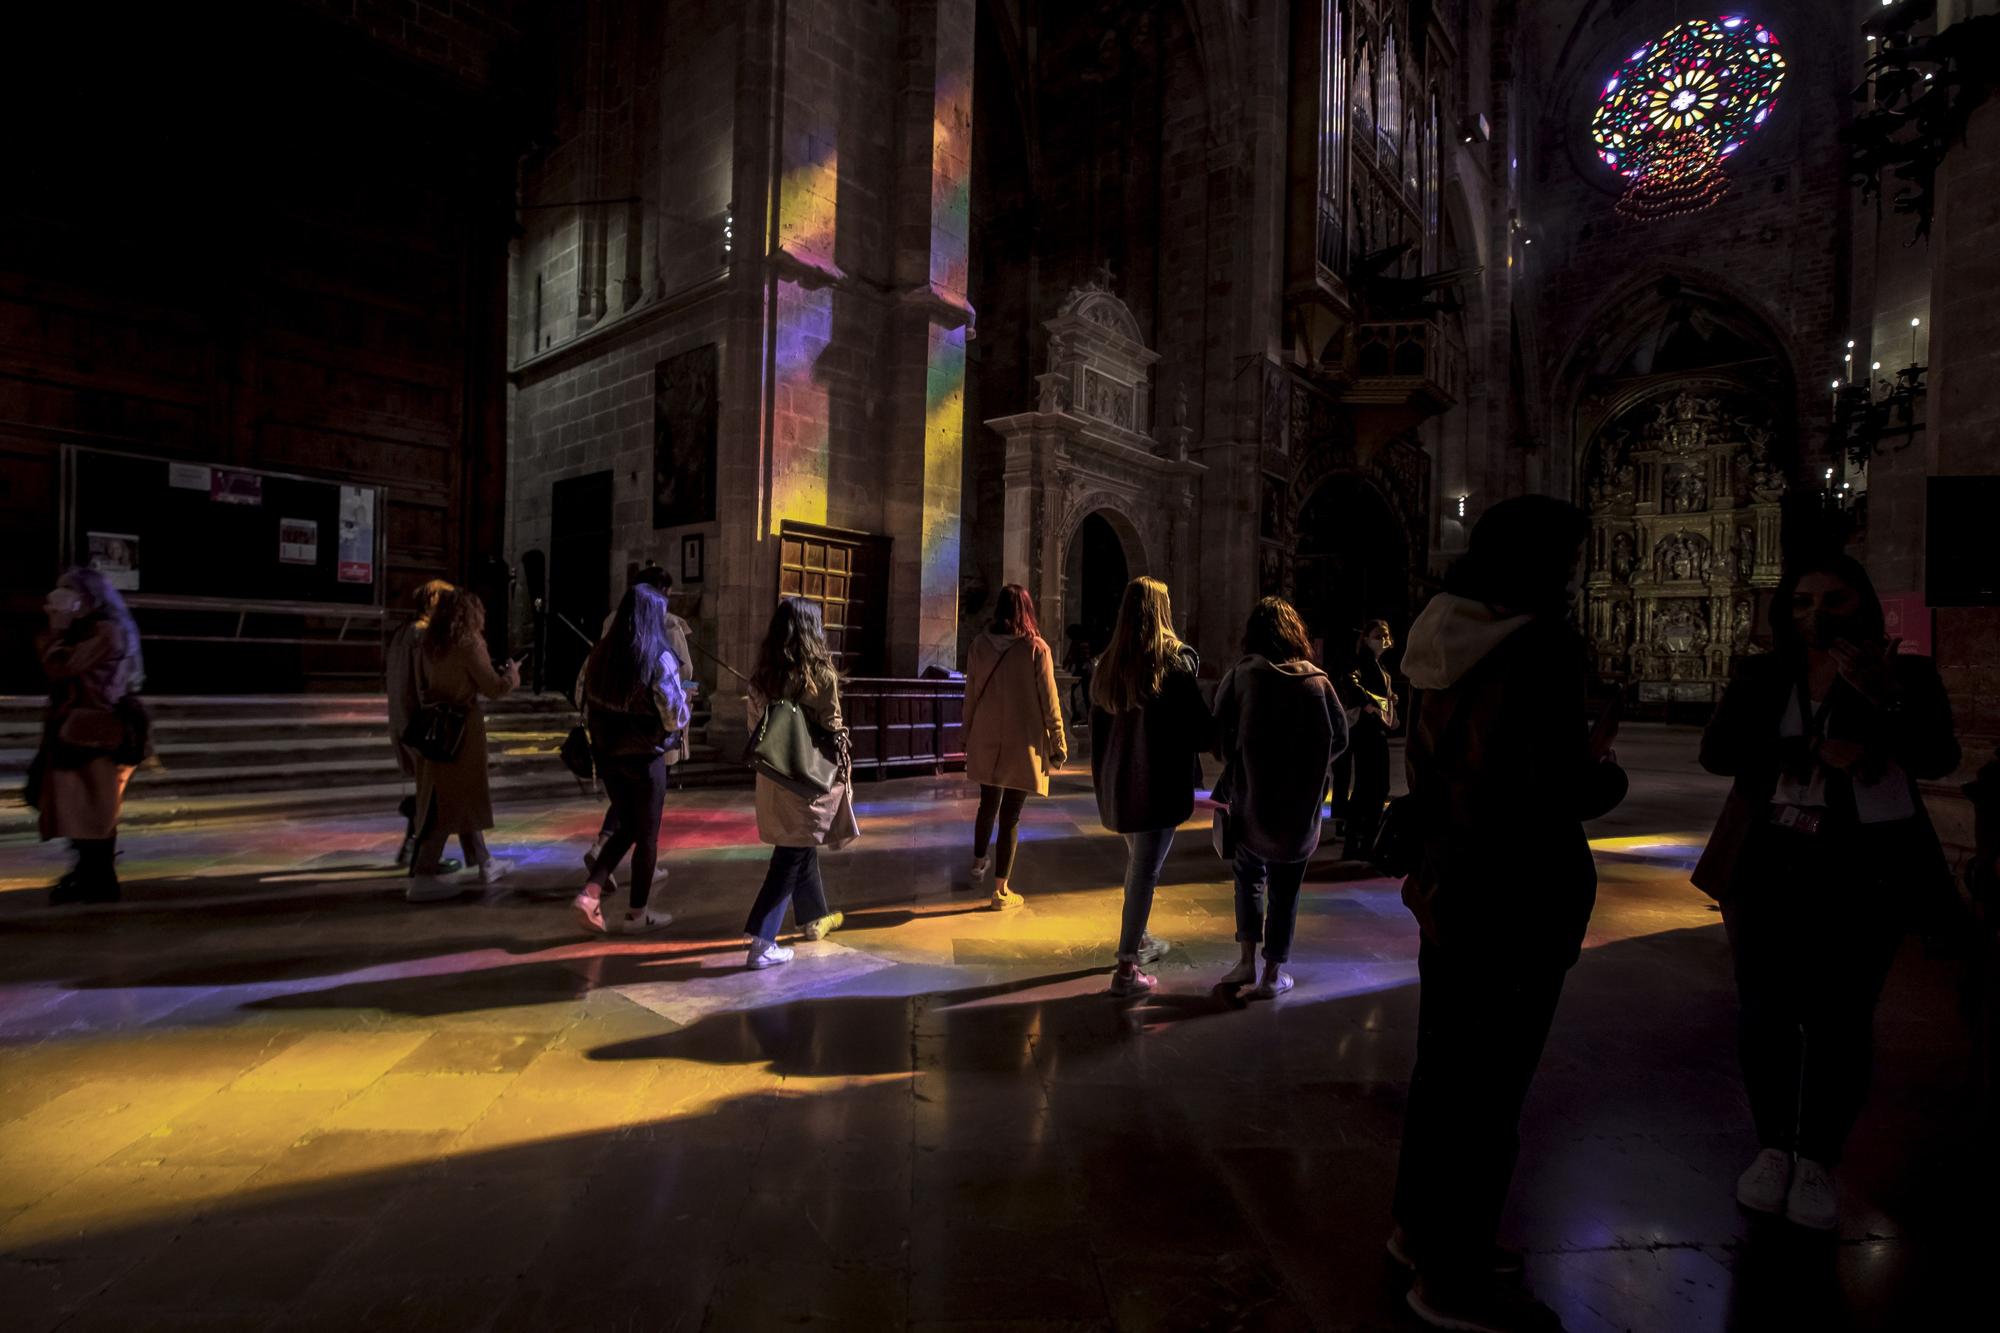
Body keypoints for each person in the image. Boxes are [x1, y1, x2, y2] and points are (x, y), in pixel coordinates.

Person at [1389, 495, 1627, 1333]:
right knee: (1491, 1088)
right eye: (1567, 559)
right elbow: (1550, 786)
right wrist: (1604, 772)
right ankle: (1453, 1277)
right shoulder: (1542, 646)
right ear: (1542, 564)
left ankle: (1420, 1231)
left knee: (1444, 1066)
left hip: (1451, 877)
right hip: (1521, 883)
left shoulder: (1437, 631)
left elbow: (1447, 762)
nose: (1572, 574)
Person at [1693, 554, 1958, 1233]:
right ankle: (1773, 1147)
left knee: (1842, 1015)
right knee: (1766, 1010)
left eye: (1834, 599)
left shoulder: (1908, 674)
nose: (1817, 613)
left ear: (1863, 604)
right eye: (1804, 600)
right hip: (1767, 860)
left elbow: (1938, 756)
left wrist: (1883, 698)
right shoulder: (1762, 674)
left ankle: (1819, 1157)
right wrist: (1802, 751)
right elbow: (1718, 752)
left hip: (1862, 865)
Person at [1212, 597, 1348, 998]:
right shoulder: (1318, 683)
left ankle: (1245, 961)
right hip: (1299, 806)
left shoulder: (1241, 677)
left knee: (1249, 879)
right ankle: (1273, 974)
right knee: (1286, 887)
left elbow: (1218, 742)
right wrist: (1310, 765)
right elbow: (1339, 738)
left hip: (1251, 800)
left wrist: (1243, 756)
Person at [1090, 576, 1215, 996]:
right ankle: (1126, 971)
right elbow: (1200, 731)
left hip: (1120, 784)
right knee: (1145, 872)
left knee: (1137, 867)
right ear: (1161, 612)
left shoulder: (1108, 664)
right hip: (1157, 787)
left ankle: (1139, 939)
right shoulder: (1172, 665)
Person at [571, 584, 691, 935]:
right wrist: (686, 705)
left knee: (627, 824)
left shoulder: (599, 655)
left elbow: (581, 693)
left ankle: (590, 894)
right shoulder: (658, 656)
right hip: (645, 756)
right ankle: (638, 914)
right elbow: (672, 716)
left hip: (608, 754)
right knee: (647, 834)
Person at [742, 597, 854, 968]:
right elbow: (833, 726)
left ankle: (814, 916)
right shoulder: (821, 673)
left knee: (800, 844)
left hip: (774, 776)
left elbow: (754, 729)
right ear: (812, 631)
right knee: (788, 857)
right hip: (807, 777)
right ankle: (761, 940)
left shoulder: (763, 676)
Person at [32, 568, 144, 904]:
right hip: (80, 731)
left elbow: (61, 667)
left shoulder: (105, 631)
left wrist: (58, 631)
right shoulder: (94, 630)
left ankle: (97, 878)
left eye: (69, 594)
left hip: (93, 732)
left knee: (91, 810)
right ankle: (90, 874)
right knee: (80, 807)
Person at [407, 588, 520, 901]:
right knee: (449, 801)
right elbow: (493, 687)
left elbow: (421, 685)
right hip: (462, 730)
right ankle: (423, 875)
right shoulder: (469, 642)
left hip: (436, 725)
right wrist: (512, 677)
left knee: (457, 796)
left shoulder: (428, 643)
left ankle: (485, 862)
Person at [963, 584, 1067, 910]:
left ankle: (979, 861)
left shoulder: (979, 645)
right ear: (1027, 610)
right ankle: (1001, 891)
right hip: (1022, 743)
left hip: (986, 736)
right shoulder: (1037, 649)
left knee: (987, 805)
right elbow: (1050, 701)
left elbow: (970, 695)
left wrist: (966, 734)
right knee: (1010, 816)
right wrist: (1058, 742)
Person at [386, 579, 455, 868]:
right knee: (432, 792)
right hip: (420, 724)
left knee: (426, 789)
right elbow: (425, 681)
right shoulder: (422, 635)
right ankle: (422, 858)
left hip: (403, 721)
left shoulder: (403, 632)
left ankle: (412, 849)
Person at [1337, 618, 1398, 861]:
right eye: (1377, 635)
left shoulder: (1376, 664)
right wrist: (1371, 704)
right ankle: (1360, 840)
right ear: (1365, 638)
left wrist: (1387, 700)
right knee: (1370, 786)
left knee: (1374, 785)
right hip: (1367, 731)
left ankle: (1362, 839)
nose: (1383, 639)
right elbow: (1349, 682)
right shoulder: (1363, 661)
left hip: (1373, 730)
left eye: (1385, 635)